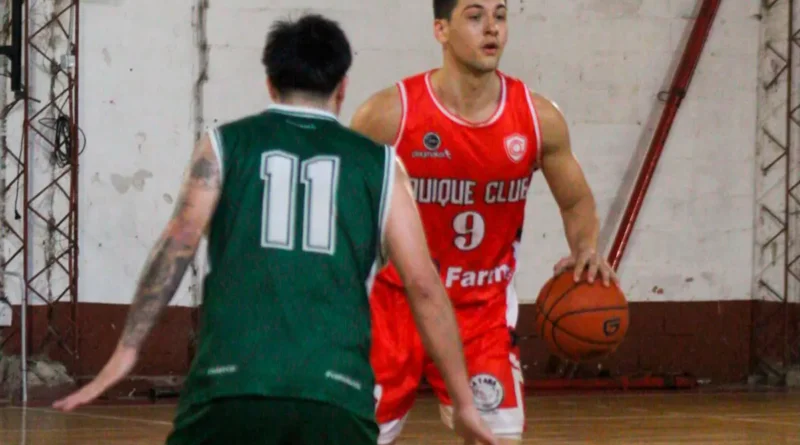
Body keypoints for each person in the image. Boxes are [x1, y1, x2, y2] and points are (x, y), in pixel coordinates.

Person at [52, 13, 497, 445]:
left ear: (270, 83)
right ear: (342, 87)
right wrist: (463, 402)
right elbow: (424, 287)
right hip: (336, 395)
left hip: (229, 389)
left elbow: (178, 244)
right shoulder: (383, 166)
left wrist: (126, 350)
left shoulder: (223, 145)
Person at [350, 1, 619, 443]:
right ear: (441, 29)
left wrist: (585, 248)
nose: (491, 28)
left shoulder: (538, 118)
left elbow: (576, 201)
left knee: (497, 439)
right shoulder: (388, 115)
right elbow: (340, 206)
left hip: (481, 313)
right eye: (475, 16)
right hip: (395, 305)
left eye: (500, 15)